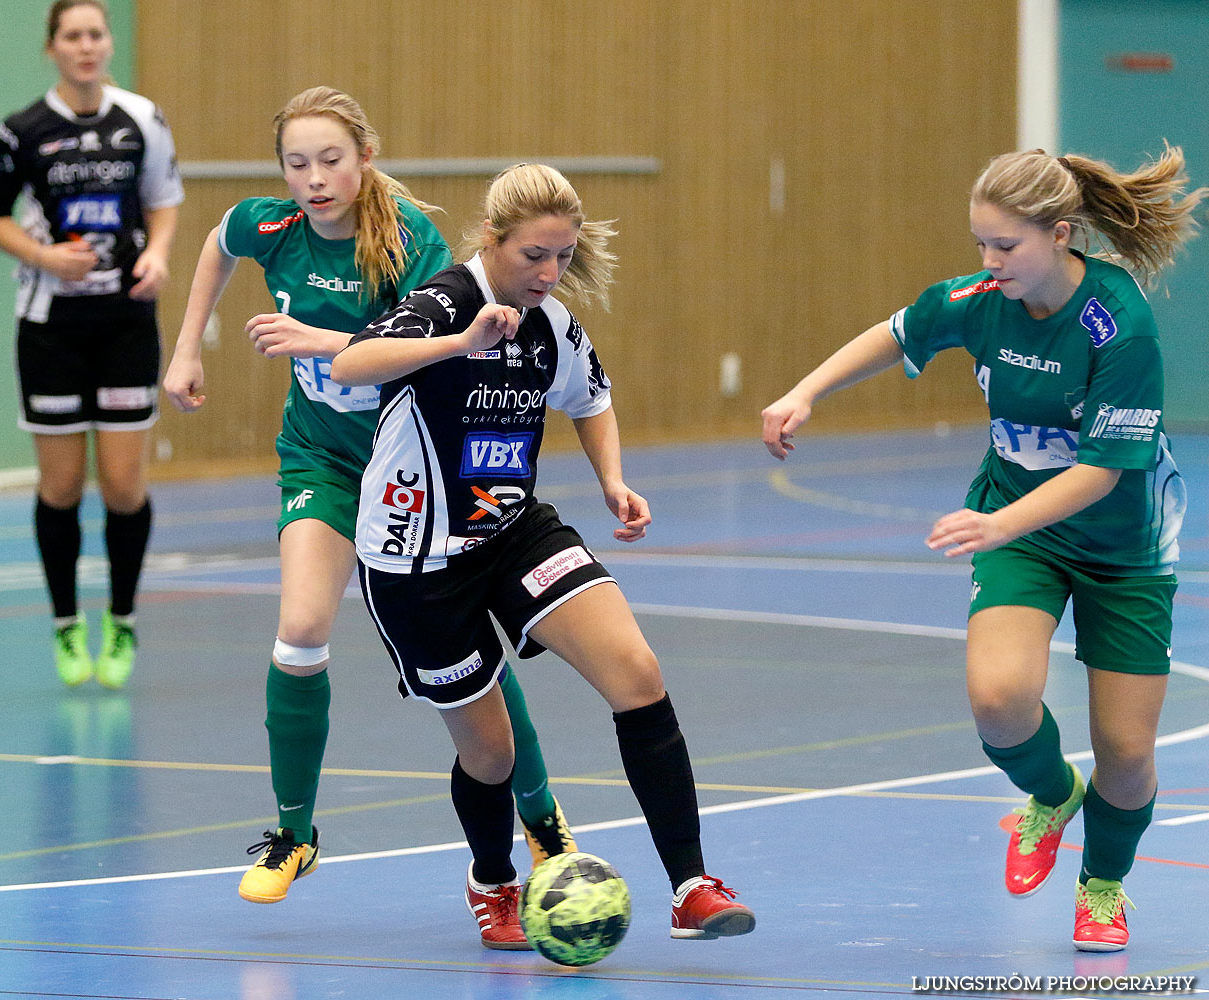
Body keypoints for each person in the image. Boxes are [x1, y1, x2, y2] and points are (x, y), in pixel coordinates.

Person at [761, 146, 1204, 952]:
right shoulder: (979, 299)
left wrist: (1001, 524)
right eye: (980, 245)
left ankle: (1102, 887)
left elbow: (1103, 473)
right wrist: (804, 392)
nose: (989, 261)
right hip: (1019, 530)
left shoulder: (1119, 324)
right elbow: (896, 333)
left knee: (1130, 755)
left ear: (1061, 235)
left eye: (1006, 246)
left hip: (1124, 546)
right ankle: (1052, 794)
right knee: (1000, 703)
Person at [162, 89, 576, 906]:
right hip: (320, 459)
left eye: (330, 160)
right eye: (297, 163)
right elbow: (215, 245)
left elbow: (431, 350)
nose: (314, 179)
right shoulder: (271, 228)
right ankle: (294, 834)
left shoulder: (409, 245)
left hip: (412, 473)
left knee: (471, 653)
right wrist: (187, 351)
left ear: (365, 158)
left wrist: (319, 340)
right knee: (302, 628)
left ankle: (541, 816)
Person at [331, 163, 756, 949]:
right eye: (534, 256)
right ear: (492, 241)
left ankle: (691, 886)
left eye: (562, 256)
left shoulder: (551, 323)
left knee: (638, 674)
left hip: (514, 532)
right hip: (415, 561)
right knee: (492, 752)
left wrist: (613, 480)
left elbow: (590, 398)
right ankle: (492, 880)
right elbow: (350, 363)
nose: (549, 273)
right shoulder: (442, 303)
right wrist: (458, 343)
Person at [0, 0, 182, 689]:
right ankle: (67, 627)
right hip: (51, 328)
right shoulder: (22, 131)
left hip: (125, 324)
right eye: (73, 36)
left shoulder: (141, 121)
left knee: (124, 486)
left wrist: (155, 256)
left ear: (107, 45)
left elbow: (164, 201)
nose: (86, 46)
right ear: (52, 48)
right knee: (62, 485)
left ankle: (121, 622)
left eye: (96, 34)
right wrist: (42, 255)